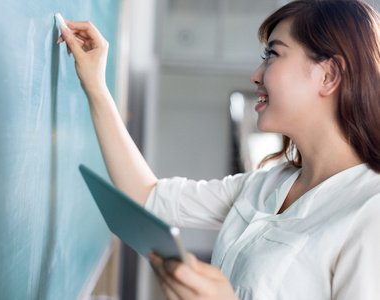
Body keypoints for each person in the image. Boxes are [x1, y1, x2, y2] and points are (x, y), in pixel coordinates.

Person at [58, 0, 380, 299]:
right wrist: (96, 87)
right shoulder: (264, 184)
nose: (256, 75)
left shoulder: (370, 212)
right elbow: (149, 198)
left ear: (329, 75)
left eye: (273, 54)